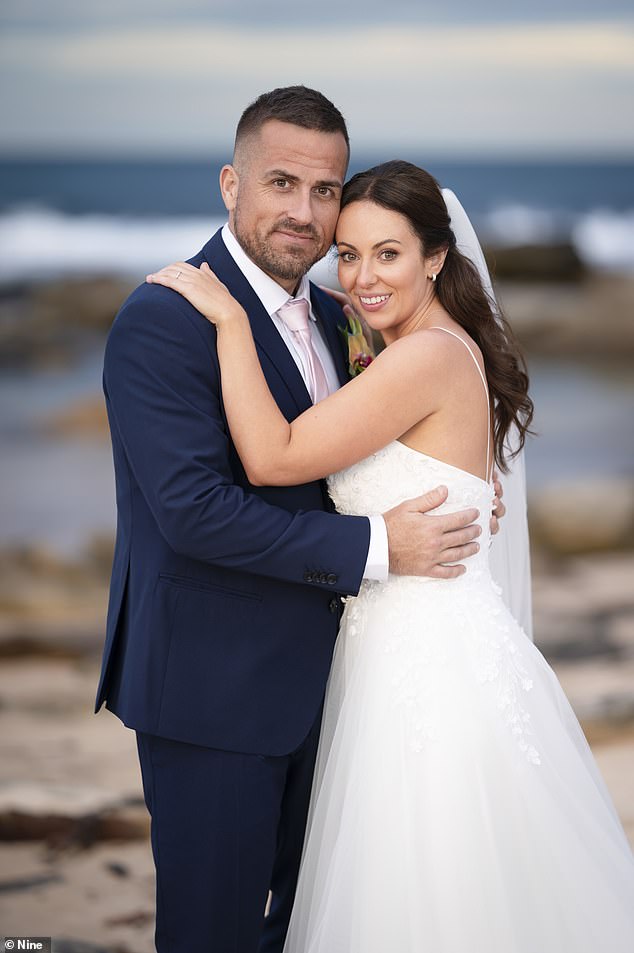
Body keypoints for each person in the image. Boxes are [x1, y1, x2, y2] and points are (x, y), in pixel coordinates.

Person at [153, 159, 634, 952]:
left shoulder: (425, 358)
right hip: (401, 649)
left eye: (388, 254)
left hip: (430, 666)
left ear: (436, 256)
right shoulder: (420, 344)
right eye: (347, 254)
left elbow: (275, 457)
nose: (363, 276)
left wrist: (235, 323)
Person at [95, 87, 504, 953]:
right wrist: (376, 544)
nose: (305, 213)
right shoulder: (164, 321)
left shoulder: (343, 315)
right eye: (281, 183)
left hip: (346, 694)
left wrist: (461, 484)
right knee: (215, 934)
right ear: (230, 184)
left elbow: (375, 448)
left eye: (325, 190)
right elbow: (197, 513)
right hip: (214, 695)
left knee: (316, 928)